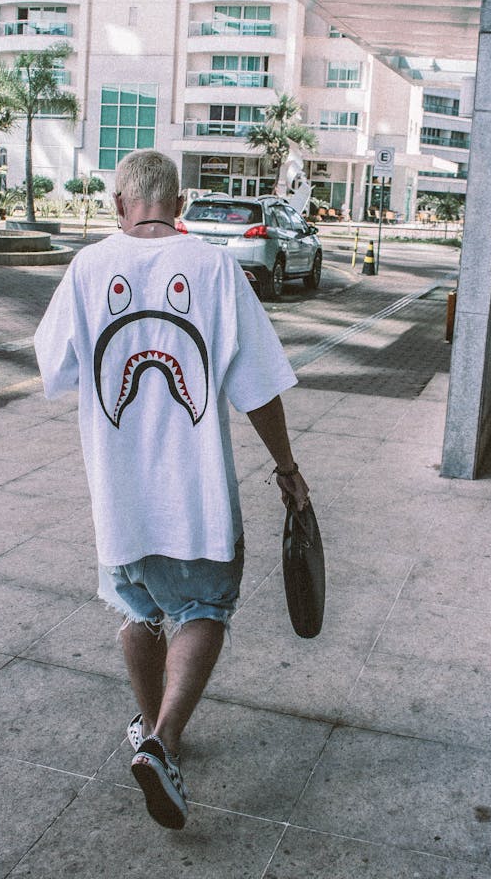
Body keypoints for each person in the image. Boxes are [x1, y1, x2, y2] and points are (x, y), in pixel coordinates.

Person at [34, 149, 309, 830]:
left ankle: (152, 730)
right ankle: (163, 737)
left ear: (119, 203)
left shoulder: (87, 266)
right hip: (196, 495)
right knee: (203, 610)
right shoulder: (215, 267)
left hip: (117, 496)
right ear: (179, 205)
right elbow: (259, 388)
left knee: (138, 611)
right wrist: (286, 468)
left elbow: (56, 370)